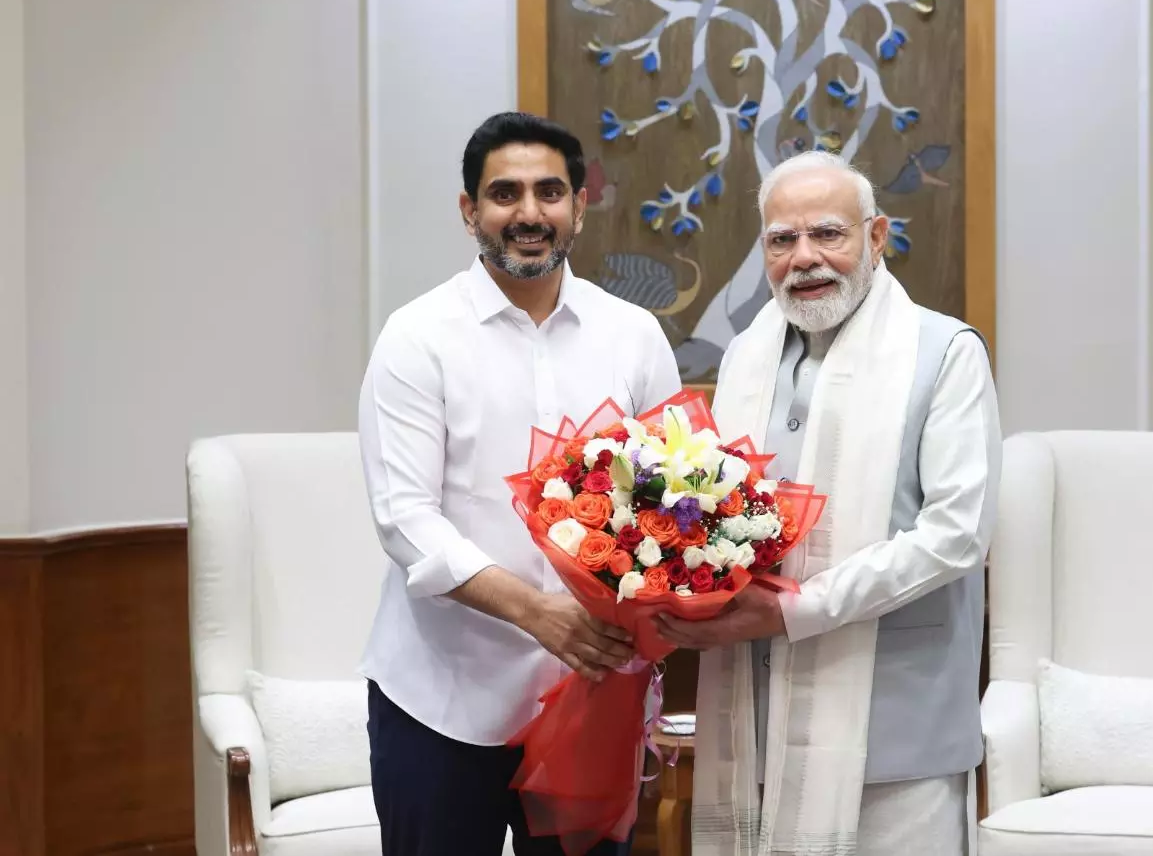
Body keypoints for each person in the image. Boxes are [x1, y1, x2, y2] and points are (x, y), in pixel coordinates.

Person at [655, 151, 1002, 855]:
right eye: (782, 240)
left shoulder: (945, 352)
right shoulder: (747, 358)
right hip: (756, 719)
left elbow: (957, 535)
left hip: (899, 731)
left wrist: (795, 610)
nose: (805, 258)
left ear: (876, 237)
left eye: (828, 234)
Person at [358, 111, 681, 856]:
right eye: (505, 193)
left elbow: (674, 499)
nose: (529, 213)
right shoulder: (417, 336)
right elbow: (404, 518)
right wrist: (539, 614)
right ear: (469, 209)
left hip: (592, 695)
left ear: (579, 206)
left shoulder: (633, 335)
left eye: (549, 192)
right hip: (440, 700)